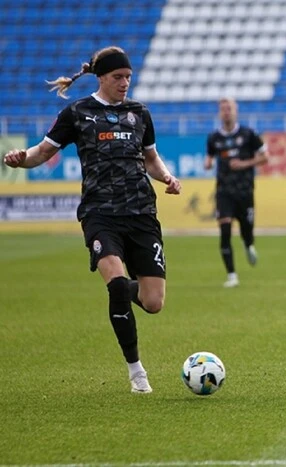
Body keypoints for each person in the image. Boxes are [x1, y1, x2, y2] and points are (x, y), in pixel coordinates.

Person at [2, 46, 182, 393]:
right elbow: (43, 152)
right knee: (115, 284)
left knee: (153, 302)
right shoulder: (77, 112)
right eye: (118, 77)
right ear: (101, 78)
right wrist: (19, 159)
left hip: (142, 213)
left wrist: (168, 178)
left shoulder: (139, 113)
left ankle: (132, 293)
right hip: (100, 214)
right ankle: (137, 373)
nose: (125, 83)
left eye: (128, 77)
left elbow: (150, 158)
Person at [204, 98, 268, 288]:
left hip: (245, 191)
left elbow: (265, 157)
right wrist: (207, 163)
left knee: (247, 231)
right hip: (224, 192)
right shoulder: (214, 138)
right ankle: (232, 275)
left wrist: (244, 164)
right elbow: (209, 157)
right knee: (225, 231)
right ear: (220, 112)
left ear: (236, 111)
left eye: (229, 108)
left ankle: (248, 245)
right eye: (223, 109)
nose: (227, 112)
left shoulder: (248, 134)